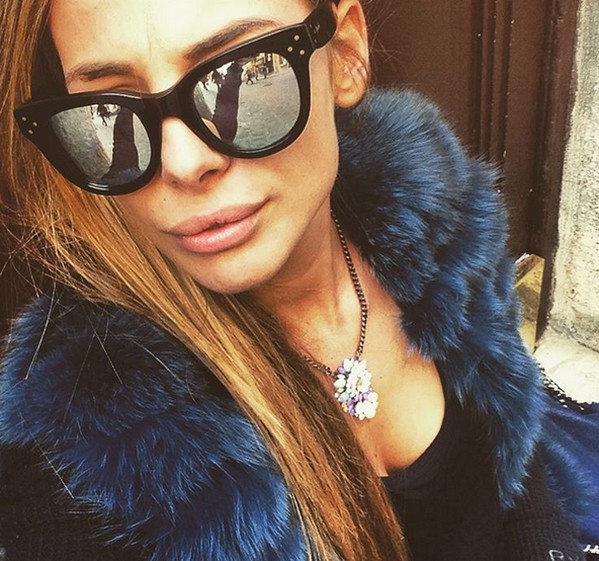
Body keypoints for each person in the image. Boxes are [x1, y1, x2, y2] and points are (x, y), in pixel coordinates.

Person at [0, 1, 585, 560]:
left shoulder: (440, 223)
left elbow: (516, 465)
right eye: (109, 111)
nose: (183, 163)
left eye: (240, 75)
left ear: (345, 54)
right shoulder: (81, 446)